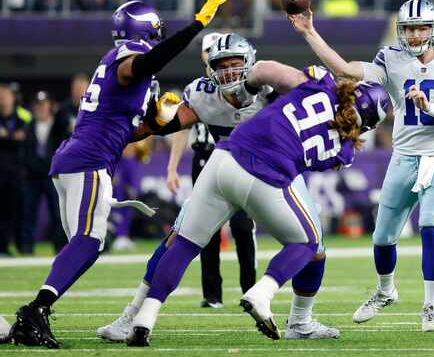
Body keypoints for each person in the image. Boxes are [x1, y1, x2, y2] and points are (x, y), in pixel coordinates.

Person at [8, 0, 227, 348]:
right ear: (144, 30)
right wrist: (196, 27)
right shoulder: (130, 57)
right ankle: (34, 312)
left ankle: (35, 313)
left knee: (83, 246)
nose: (157, 36)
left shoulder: (127, 71)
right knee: (89, 242)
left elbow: (136, 130)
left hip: (81, 158)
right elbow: (144, 64)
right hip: (88, 159)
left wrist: (163, 121)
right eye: (155, 30)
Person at [124, 64, 390, 346]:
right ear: (370, 124)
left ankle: (145, 318)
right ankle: (262, 292)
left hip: (224, 158)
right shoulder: (345, 151)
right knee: (309, 243)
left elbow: (264, 69)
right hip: (266, 178)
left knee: (185, 244)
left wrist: (248, 88)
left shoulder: (321, 82)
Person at [290, 0, 434, 332]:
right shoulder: (391, 59)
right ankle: (385, 290)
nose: (415, 34)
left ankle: (430, 307)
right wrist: (309, 33)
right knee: (382, 237)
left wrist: (429, 105)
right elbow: (345, 69)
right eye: (408, 28)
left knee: (430, 225)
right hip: (403, 156)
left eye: (421, 27)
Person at [168, 32, 257, 310]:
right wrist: (172, 167)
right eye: (211, 54)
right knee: (203, 228)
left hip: (239, 159)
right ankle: (212, 294)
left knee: (243, 228)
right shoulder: (199, 92)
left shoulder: (252, 87)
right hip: (205, 158)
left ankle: (250, 290)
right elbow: (181, 129)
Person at [20, 91, 68, 255]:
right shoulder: (28, 125)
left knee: (57, 212)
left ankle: (60, 248)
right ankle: (26, 249)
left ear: (50, 105)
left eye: (44, 104)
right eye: (38, 104)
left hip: (52, 175)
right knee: (28, 212)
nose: (41, 107)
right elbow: (23, 151)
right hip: (32, 176)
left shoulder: (59, 125)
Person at [0, 83, 29, 255]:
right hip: (1, 173)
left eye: (5, 95)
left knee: (21, 212)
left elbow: (27, 142)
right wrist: (14, 138)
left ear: (13, 97)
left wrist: (6, 137)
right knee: (2, 212)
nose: (3, 99)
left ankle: (23, 247)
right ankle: (2, 247)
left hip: (19, 173)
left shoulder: (23, 118)